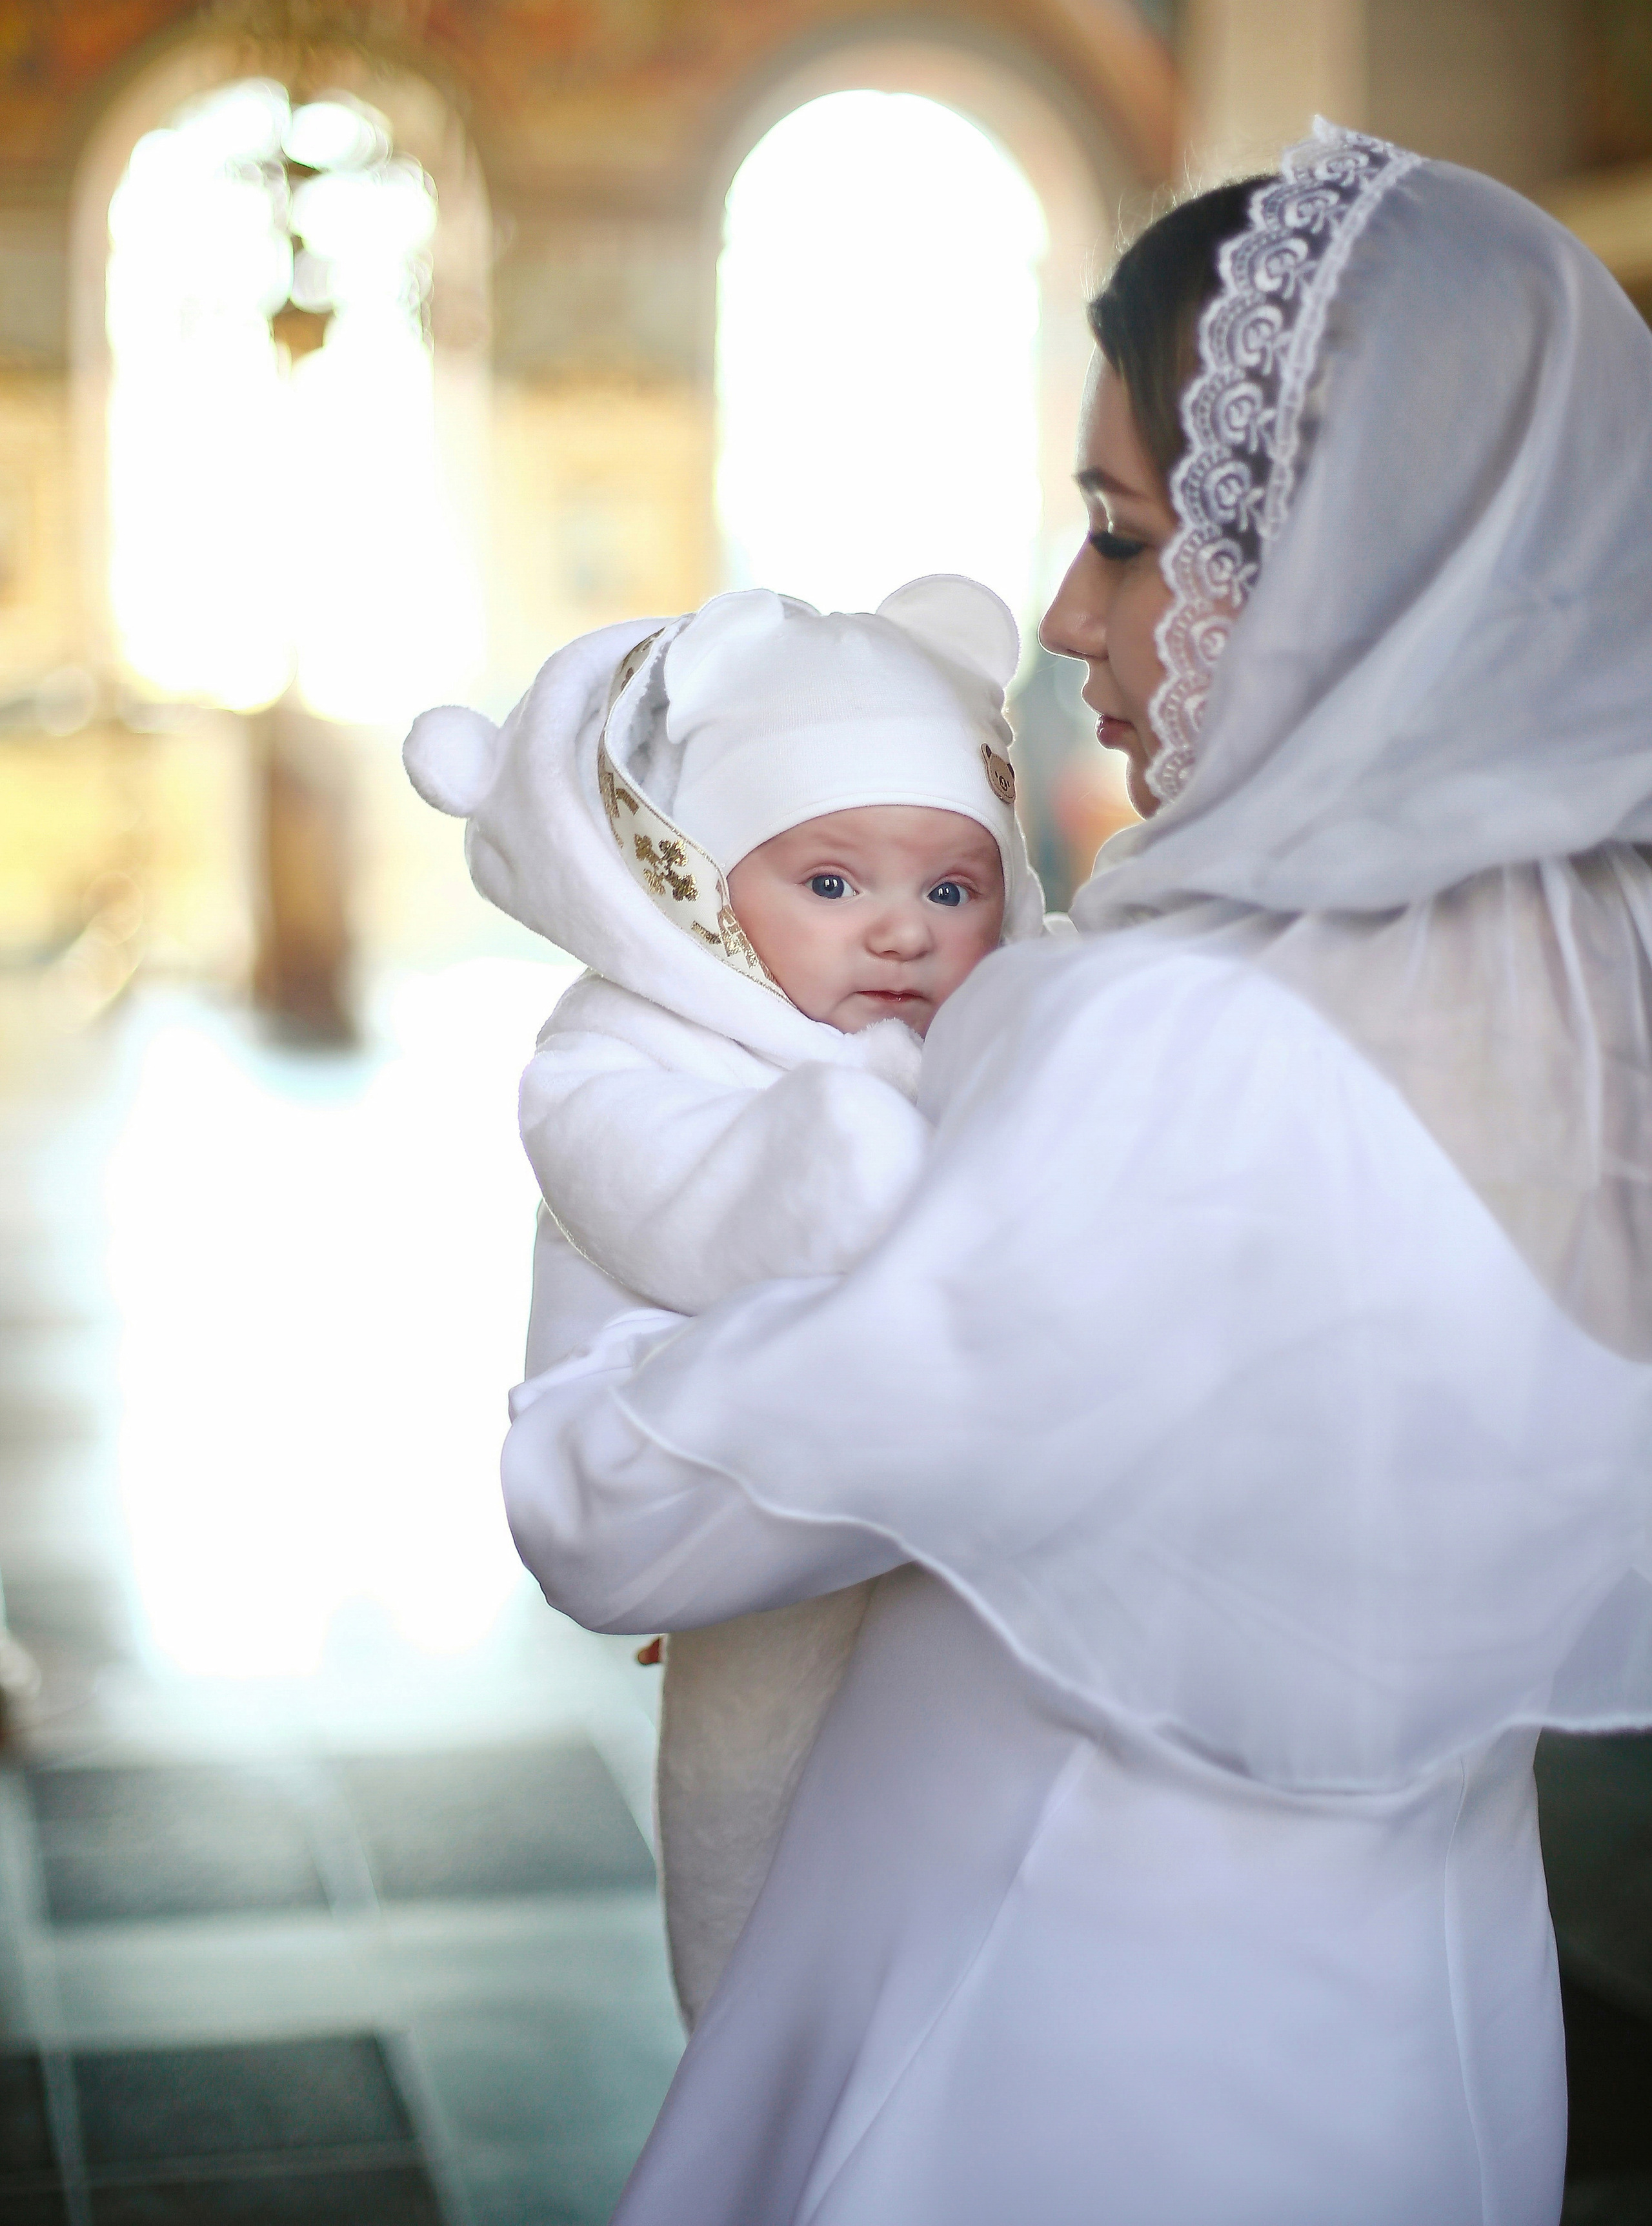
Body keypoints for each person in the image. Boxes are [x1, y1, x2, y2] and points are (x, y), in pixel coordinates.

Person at [499, 123, 1652, 2225]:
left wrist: (605, 1350)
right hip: (1422, 2013)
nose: (1064, 615)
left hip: (1054, 2028)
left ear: (1341, 563)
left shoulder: (1170, 1042)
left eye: (1128, 536)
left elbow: (628, 1522)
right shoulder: (1609, 1006)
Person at [403, 576, 1043, 2026]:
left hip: (963, 1581)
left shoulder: (995, 1016)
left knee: (966, 1923)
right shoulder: (616, 1057)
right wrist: (889, 1147)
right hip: (738, 1569)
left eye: (952, 888)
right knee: (773, 1911)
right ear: (688, 881)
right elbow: (720, 1208)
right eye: (830, 883)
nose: (899, 931)